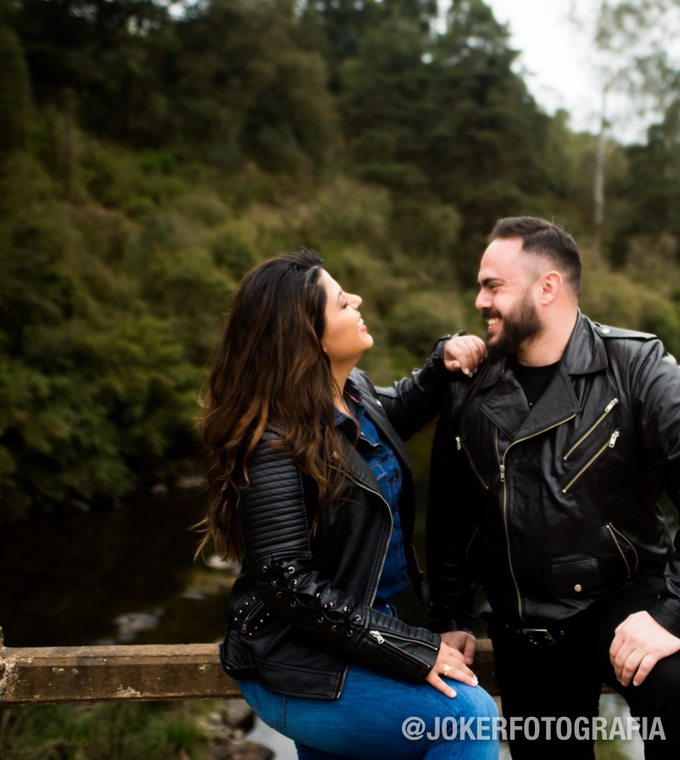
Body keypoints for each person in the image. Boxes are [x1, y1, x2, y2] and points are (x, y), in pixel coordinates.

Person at [427, 218, 680, 759]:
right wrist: (451, 617)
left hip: (622, 599)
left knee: (669, 687)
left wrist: (673, 613)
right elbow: (448, 517)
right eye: (481, 286)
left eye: (493, 286)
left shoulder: (638, 365)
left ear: (547, 287)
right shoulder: (468, 385)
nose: (479, 300)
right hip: (523, 623)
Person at [199, 249, 497, 760]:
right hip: (299, 659)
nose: (356, 299)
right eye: (341, 302)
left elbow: (396, 410)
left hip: (356, 635)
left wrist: (441, 362)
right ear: (309, 337)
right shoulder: (271, 444)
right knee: (467, 717)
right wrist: (412, 648)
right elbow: (286, 583)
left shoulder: (350, 392)